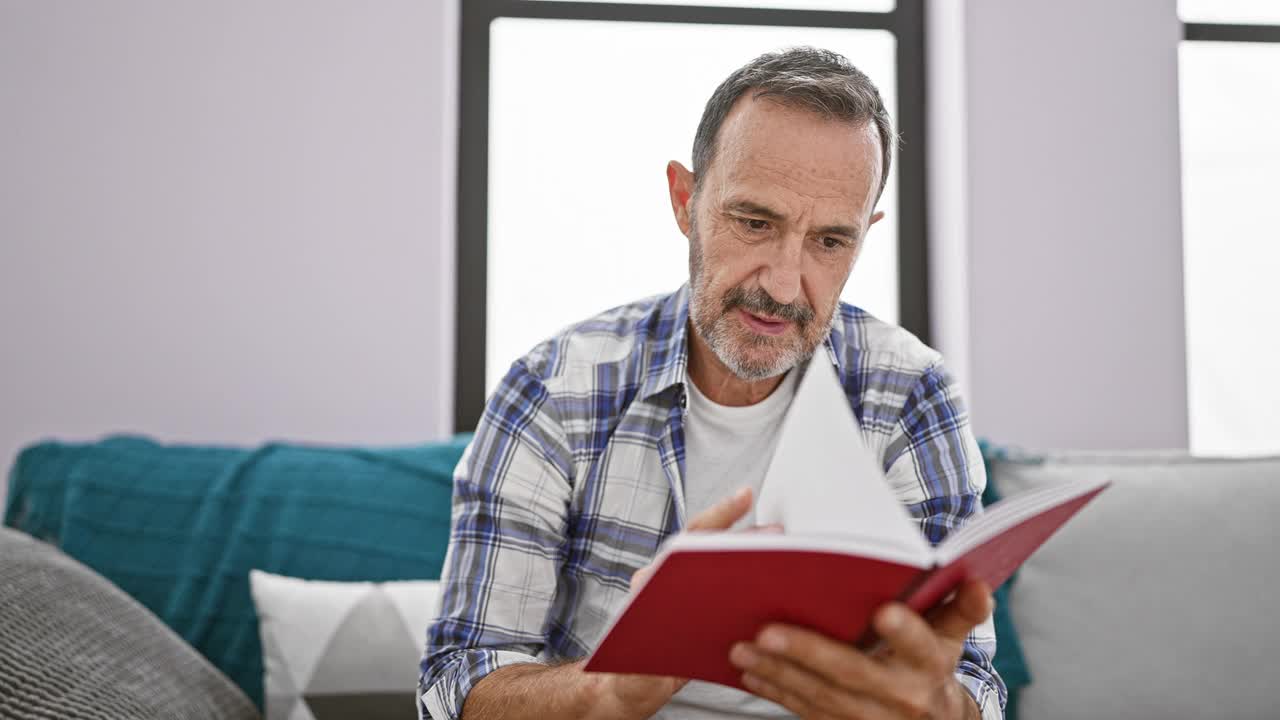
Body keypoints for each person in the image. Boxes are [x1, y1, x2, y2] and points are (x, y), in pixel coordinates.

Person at [418, 46, 1005, 720]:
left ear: (865, 235)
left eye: (830, 242)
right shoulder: (555, 389)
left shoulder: (912, 396)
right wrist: (614, 688)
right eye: (755, 222)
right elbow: (458, 685)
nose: (784, 285)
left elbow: (971, 692)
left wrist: (934, 705)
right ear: (684, 200)